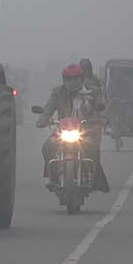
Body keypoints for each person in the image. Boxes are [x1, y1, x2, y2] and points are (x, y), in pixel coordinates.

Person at [37, 64, 110, 193]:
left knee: (93, 150)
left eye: (75, 78)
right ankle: (53, 178)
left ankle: (93, 179)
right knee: (47, 148)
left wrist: (102, 118)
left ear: (81, 79)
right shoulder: (57, 92)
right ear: (63, 80)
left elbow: (100, 106)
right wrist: (43, 119)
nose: (71, 82)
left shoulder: (92, 91)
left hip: (84, 130)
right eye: (68, 79)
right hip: (62, 131)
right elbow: (48, 109)